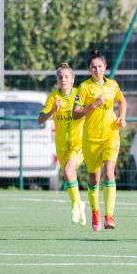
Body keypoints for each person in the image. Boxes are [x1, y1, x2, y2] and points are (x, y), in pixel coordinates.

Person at [73, 50, 127, 231]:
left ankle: (109, 216)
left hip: (111, 136)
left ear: (105, 68)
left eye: (100, 66)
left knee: (109, 173)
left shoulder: (112, 85)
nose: (97, 70)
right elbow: (75, 113)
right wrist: (93, 105)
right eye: (93, 67)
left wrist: (122, 117)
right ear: (89, 70)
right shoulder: (84, 88)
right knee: (94, 179)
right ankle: (95, 211)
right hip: (91, 139)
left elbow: (122, 100)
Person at [38, 62, 86, 226]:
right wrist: (53, 111)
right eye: (60, 77)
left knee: (68, 170)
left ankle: (75, 206)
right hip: (61, 145)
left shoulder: (79, 95)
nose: (63, 79)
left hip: (78, 143)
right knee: (68, 175)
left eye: (67, 77)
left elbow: (88, 113)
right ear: (57, 80)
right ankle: (79, 203)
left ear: (73, 80)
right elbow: (40, 120)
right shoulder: (53, 97)